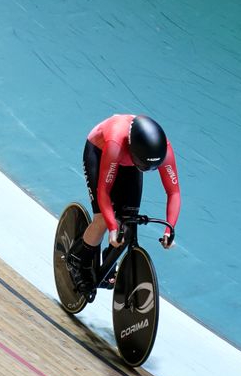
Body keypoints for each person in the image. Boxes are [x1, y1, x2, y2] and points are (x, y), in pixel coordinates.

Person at [66, 114, 182, 293]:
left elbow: (173, 192)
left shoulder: (163, 149)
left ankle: (108, 258)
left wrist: (169, 229)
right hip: (100, 152)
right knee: (103, 220)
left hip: (131, 161)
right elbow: (103, 191)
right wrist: (112, 226)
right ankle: (77, 260)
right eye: (145, 166)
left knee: (129, 221)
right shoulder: (115, 143)